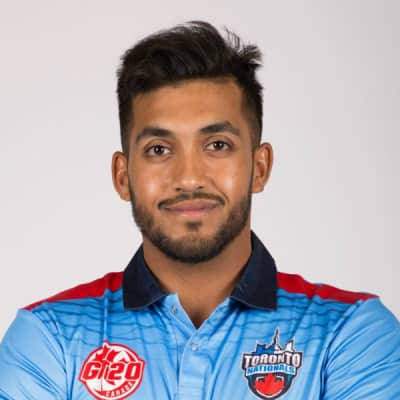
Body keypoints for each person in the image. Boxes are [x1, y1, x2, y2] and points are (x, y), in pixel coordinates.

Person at [0, 21, 399, 400]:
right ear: (123, 176)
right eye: (159, 149)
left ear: (259, 168)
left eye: (217, 145)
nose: (188, 177)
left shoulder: (348, 332)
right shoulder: (51, 336)